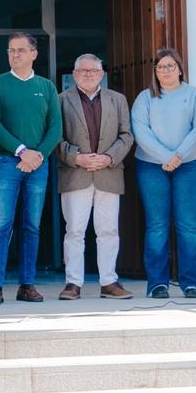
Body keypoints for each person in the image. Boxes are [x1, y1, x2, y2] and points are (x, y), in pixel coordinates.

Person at [0, 33, 61, 304]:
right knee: (2, 224)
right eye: (11, 50)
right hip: (7, 161)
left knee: (31, 225)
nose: (15, 55)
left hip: (39, 163)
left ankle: (27, 284)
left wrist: (38, 155)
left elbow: (56, 127)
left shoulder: (46, 87)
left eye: (21, 50)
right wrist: (22, 151)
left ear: (34, 54)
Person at [131, 48, 196, 299]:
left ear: (180, 68)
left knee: (188, 224)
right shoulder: (145, 98)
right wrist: (167, 157)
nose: (165, 71)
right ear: (155, 71)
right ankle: (157, 283)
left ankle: (192, 282)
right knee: (156, 225)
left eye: (170, 66)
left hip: (190, 165)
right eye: (160, 67)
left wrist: (178, 156)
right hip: (152, 166)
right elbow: (140, 132)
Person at [56, 54, 134, 300]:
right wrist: (75, 157)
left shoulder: (118, 100)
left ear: (102, 74)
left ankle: (109, 282)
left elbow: (127, 135)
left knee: (109, 230)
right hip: (75, 173)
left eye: (93, 71)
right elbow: (55, 137)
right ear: (74, 74)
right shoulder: (60, 100)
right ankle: (73, 283)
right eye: (83, 70)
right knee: (74, 231)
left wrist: (109, 157)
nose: (88, 74)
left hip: (108, 173)